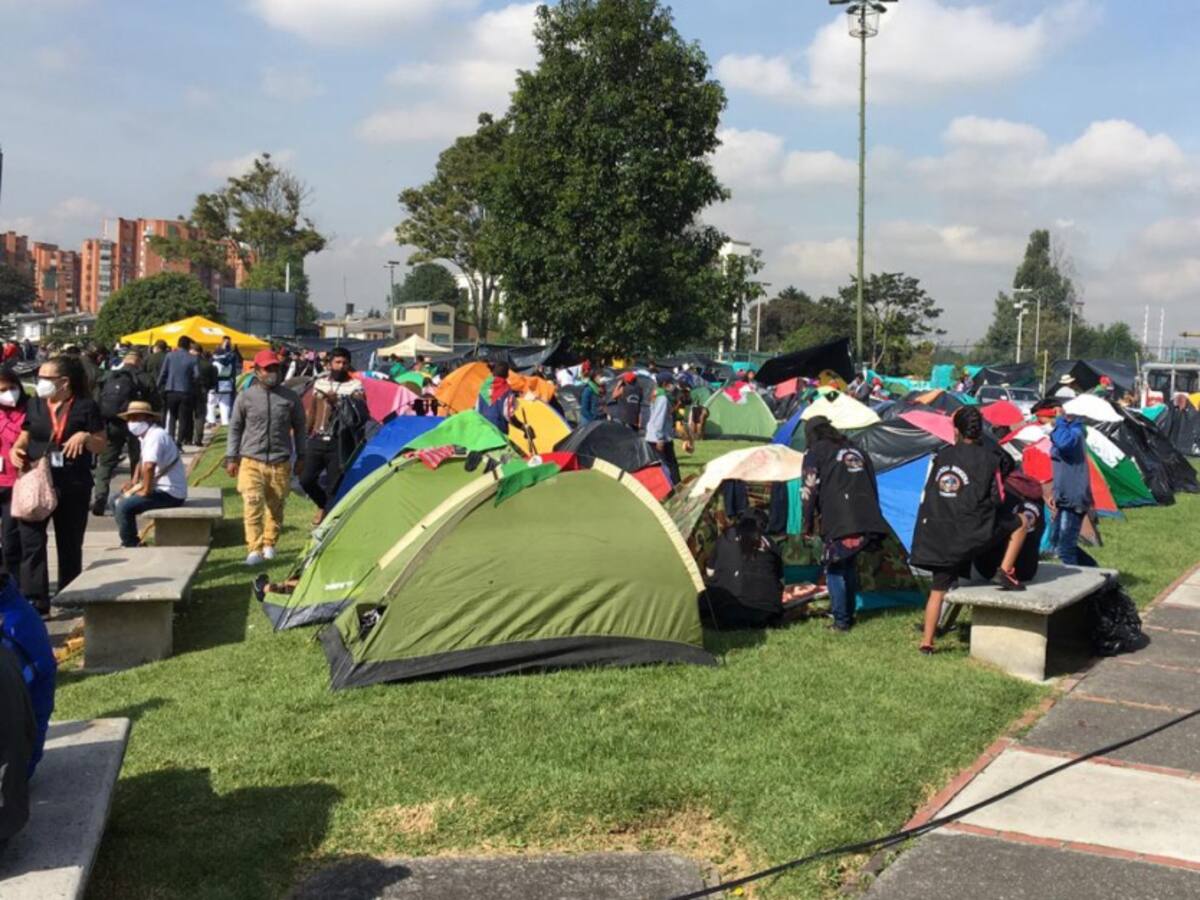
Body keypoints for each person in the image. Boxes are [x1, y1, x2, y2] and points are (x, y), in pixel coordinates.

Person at [9, 355, 106, 614]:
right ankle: (35, 600)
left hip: (72, 482)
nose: (40, 383)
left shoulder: (86, 406)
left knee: (70, 541)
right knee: (31, 540)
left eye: (46, 378)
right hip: (37, 479)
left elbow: (101, 443)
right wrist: (16, 450)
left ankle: (69, 595)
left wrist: (85, 437)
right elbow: (26, 434)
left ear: (64, 382)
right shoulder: (36, 405)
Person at [910, 406, 1005, 654]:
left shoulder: (941, 456)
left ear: (956, 430)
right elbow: (998, 497)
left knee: (937, 590)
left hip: (942, 531)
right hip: (974, 533)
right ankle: (1006, 571)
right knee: (1018, 524)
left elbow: (928, 493)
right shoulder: (990, 459)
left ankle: (927, 642)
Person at [801, 416, 890, 632]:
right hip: (865, 514)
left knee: (834, 567)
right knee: (847, 564)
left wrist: (807, 521)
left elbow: (808, 488)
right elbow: (872, 483)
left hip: (839, 516)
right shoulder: (856, 449)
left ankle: (841, 620)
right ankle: (847, 614)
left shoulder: (815, 452)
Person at [226, 350, 306, 566]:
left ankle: (270, 543)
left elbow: (300, 428)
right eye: (268, 369)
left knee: (276, 506)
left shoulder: (290, 398)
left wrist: (301, 456)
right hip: (251, 460)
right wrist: (231, 457)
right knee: (252, 504)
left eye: (275, 368)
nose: (272, 372)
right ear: (257, 371)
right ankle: (254, 548)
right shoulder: (245, 397)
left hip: (280, 461)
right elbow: (235, 428)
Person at [299, 347, 364, 525]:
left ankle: (328, 517)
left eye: (344, 363)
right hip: (318, 438)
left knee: (334, 484)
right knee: (306, 480)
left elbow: (360, 415)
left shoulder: (355, 386)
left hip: (340, 441)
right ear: (330, 364)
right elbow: (312, 411)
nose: (341, 366)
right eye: (337, 362)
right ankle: (322, 504)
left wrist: (341, 402)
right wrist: (306, 433)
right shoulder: (320, 383)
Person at [111, 402, 187, 547]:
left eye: (136, 418)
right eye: (130, 419)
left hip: (170, 493)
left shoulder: (156, 436)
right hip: (158, 488)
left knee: (123, 506)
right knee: (114, 499)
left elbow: (149, 466)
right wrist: (133, 483)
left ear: (148, 418)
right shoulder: (145, 436)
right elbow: (141, 462)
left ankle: (131, 543)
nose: (132, 422)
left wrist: (145, 490)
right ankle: (129, 537)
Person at [91, 349, 153, 515]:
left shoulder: (108, 376)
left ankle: (100, 496)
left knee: (105, 463)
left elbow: (97, 401)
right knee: (138, 461)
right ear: (139, 361)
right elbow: (155, 401)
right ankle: (134, 497)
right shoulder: (144, 378)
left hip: (112, 424)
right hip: (137, 424)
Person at [700, 511, 785, 630]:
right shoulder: (770, 543)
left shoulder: (726, 537)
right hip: (768, 612)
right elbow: (779, 578)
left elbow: (710, 572)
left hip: (729, 611)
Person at [1050, 409, 1096, 567]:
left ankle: (1077, 581)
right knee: (1058, 543)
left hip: (1073, 497)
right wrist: (1055, 493)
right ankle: (1093, 570)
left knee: (1065, 549)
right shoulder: (1070, 432)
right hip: (1064, 495)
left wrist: (1060, 421)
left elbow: (1063, 443)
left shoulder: (1075, 433)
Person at [0, 367, 27, 579]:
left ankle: (13, 584)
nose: (8, 393)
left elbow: (19, 437)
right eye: (2, 389)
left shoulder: (27, 411)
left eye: (12, 388)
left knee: (11, 541)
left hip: (15, 481)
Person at [158, 336, 199, 448]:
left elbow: (163, 373)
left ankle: (171, 438)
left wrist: (158, 386)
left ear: (178, 344)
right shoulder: (193, 358)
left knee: (172, 416)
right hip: (185, 391)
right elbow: (197, 375)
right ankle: (179, 442)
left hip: (171, 389)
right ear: (188, 345)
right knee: (183, 417)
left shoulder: (170, 356)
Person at [645, 372, 681, 485]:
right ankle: (676, 487)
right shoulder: (662, 398)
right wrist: (660, 439)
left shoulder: (655, 394)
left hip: (652, 435)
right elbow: (658, 419)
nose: (673, 386)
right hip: (661, 437)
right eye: (671, 383)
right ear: (665, 383)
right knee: (671, 465)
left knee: (662, 465)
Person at [476, 360, 515, 432]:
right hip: (499, 432)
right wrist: (522, 426)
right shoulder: (506, 389)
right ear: (507, 375)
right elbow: (508, 415)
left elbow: (477, 411)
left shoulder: (483, 387)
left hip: (483, 431)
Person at [210, 340, 239, 427]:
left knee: (210, 404)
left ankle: (211, 420)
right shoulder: (229, 362)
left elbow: (213, 375)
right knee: (225, 405)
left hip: (216, 386)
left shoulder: (214, 363)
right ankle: (225, 422)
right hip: (227, 385)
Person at [191, 345, 216, 445]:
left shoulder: (188, 363)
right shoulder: (209, 365)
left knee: (188, 415)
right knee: (200, 415)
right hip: (203, 391)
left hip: (189, 391)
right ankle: (198, 438)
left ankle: (186, 438)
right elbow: (214, 382)